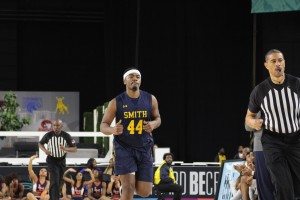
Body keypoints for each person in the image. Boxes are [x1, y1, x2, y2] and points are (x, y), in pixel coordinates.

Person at [245, 49, 300, 199]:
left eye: (280, 60)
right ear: (266, 65)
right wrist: (253, 122)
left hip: (295, 139)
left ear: (285, 63)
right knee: (283, 185)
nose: (278, 64)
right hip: (272, 142)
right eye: (273, 61)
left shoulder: (297, 84)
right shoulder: (260, 91)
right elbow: (248, 118)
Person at [100, 67, 161, 200]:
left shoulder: (151, 99)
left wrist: (153, 124)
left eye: (137, 77)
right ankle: (126, 186)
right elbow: (103, 125)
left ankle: (131, 182)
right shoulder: (116, 102)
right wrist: (113, 130)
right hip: (124, 148)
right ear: (124, 80)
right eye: (131, 76)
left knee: (144, 192)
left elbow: (158, 119)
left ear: (140, 80)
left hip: (144, 147)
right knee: (128, 189)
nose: (135, 79)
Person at [38, 119, 77, 200]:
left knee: (59, 181)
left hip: (62, 160)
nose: (56, 127)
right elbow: (40, 143)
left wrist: (65, 149)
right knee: (55, 179)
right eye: (54, 125)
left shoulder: (66, 136)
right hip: (52, 160)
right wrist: (45, 150)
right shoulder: (48, 135)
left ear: (61, 126)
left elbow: (75, 149)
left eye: (58, 125)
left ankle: (53, 197)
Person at [245, 112, 275, 200]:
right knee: (265, 184)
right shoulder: (257, 105)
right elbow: (247, 126)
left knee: (276, 183)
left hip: (277, 147)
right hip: (261, 147)